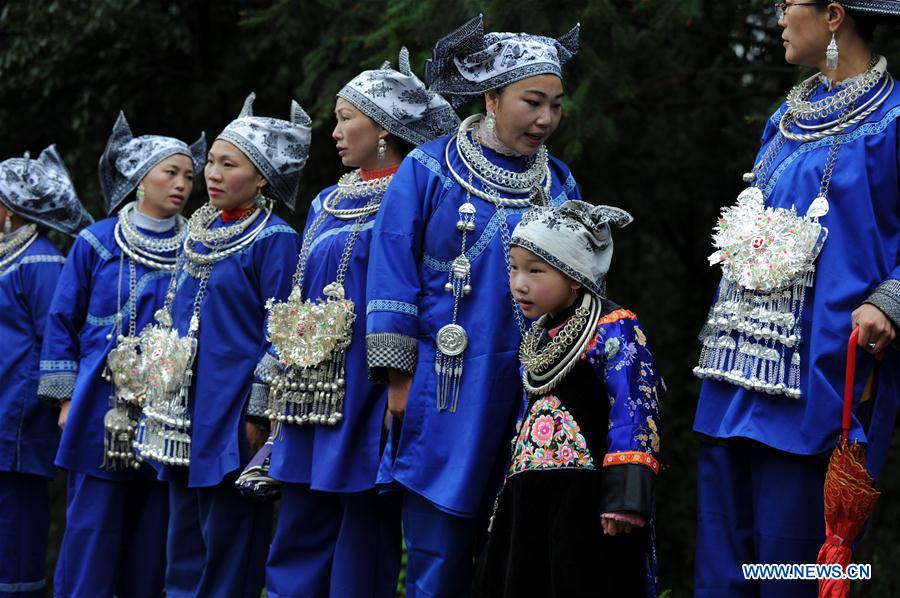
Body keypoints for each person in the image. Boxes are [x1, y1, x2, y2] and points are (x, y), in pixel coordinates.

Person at [365, 15, 582, 596]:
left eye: (556, 105)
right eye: (532, 102)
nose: (546, 119)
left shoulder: (560, 185)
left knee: (517, 546)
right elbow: (391, 265)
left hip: (532, 392)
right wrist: (397, 378)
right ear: (490, 96)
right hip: (446, 387)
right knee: (439, 544)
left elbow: (584, 294)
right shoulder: (429, 168)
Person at [692, 2, 900, 596]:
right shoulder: (786, 116)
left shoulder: (894, 118)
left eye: (789, 3)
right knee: (722, 568)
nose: (780, 16)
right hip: (737, 369)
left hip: (822, 375)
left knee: (791, 570)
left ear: (833, 14)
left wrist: (891, 300)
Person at [258, 49, 459, 598]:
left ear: (386, 129)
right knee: (300, 517)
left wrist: (402, 376)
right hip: (309, 387)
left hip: (369, 385)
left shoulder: (423, 195)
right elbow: (296, 293)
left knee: (360, 525)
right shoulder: (326, 199)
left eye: (348, 118)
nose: (336, 133)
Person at [135, 93, 307, 597]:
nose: (210, 173)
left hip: (233, 414)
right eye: (210, 161)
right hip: (182, 413)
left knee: (229, 548)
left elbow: (284, 330)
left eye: (227, 164)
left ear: (261, 178)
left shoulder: (274, 238)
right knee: (182, 548)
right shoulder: (199, 233)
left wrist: (260, 413)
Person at [39, 113, 204, 598]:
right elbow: (61, 322)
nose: (181, 184)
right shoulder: (96, 240)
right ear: (138, 177)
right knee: (92, 530)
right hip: (98, 407)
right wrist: (65, 400)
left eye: (189, 176)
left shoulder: (197, 244)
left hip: (166, 410)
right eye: (169, 172)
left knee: (154, 537)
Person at [474, 200, 664, 597]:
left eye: (535, 270)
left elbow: (635, 407)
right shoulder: (538, 339)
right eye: (513, 268)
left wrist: (625, 496)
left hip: (588, 500)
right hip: (529, 497)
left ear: (575, 277)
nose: (519, 283)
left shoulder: (614, 327)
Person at [0, 146, 92, 598]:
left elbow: (55, 338)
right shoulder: (11, 259)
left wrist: (44, 402)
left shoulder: (42, 263)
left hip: (17, 417)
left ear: (11, 212)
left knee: (16, 521)